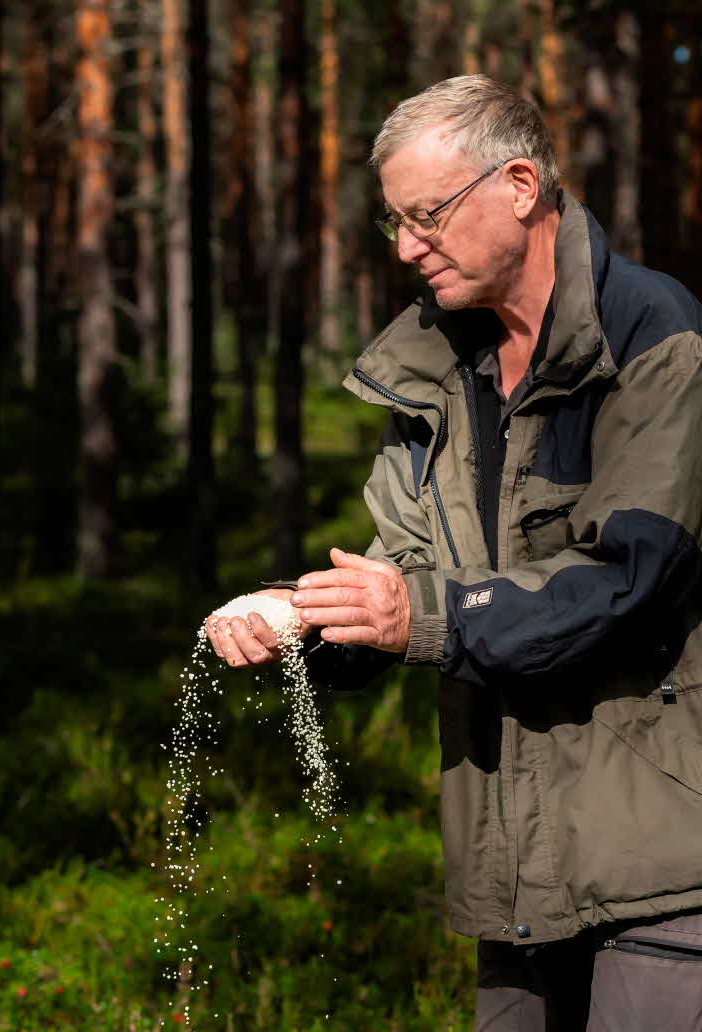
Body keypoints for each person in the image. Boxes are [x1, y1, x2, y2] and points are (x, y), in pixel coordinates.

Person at [205, 75, 702, 1030]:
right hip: (512, 871)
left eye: (424, 217)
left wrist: (419, 617)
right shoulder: (436, 369)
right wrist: (297, 614)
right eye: (392, 223)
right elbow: (400, 565)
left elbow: (626, 577)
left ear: (519, 186)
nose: (403, 249)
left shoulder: (656, 338)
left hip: (662, 871)